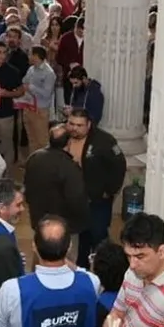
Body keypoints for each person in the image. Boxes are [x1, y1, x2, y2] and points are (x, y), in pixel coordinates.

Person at [63, 109, 127, 271]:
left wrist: (110, 190)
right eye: (71, 123)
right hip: (76, 199)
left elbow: (119, 166)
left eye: (79, 125)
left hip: (97, 199)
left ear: (89, 125)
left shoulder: (104, 141)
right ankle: (83, 267)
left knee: (98, 235)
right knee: (83, 235)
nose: (74, 128)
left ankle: (105, 269)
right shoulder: (62, 137)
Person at [22, 123, 89, 240]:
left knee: (40, 251)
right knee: (65, 256)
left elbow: (27, 187)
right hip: (62, 226)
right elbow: (76, 198)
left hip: (38, 220)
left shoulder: (34, 157)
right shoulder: (69, 167)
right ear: (68, 142)